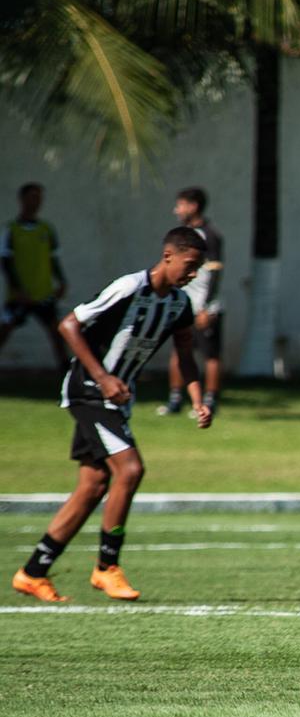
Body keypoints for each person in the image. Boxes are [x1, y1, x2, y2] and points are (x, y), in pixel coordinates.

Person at [11, 227, 213, 603]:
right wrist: (103, 378)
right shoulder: (129, 287)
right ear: (168, 255)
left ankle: (33, 571)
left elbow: (185, 356)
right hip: (89, 390)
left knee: (93, 484)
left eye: (198, 268)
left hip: (116, 399)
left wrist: (198, 399)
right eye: (189, 265)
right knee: (131, 470)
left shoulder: (179, 305)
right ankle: (107, 567)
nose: (193, 274)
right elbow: (69, 324)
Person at [158, 187, 224, 417]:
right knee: (179, 351)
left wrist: (206, 306)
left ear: (193, 206)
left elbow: (215, 272)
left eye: (181, 205)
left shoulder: (210, 235)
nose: (177, 210)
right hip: (183, 304)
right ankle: (175, 399)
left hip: (205, 306)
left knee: (210, 355)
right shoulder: (181, 237)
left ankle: (210, 400)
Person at [0, 182, 68, 369]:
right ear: (21, 199)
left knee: (57, 333)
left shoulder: (46, 230)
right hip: (20, 295)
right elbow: (5, 261)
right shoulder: (11, 230)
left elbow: (54, 259)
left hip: (43, 293)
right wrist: (16, 289)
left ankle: (66, 373)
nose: (36, 201)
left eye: (39, 197)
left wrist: (62, 282)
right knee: (5, 330)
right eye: (32, 196)